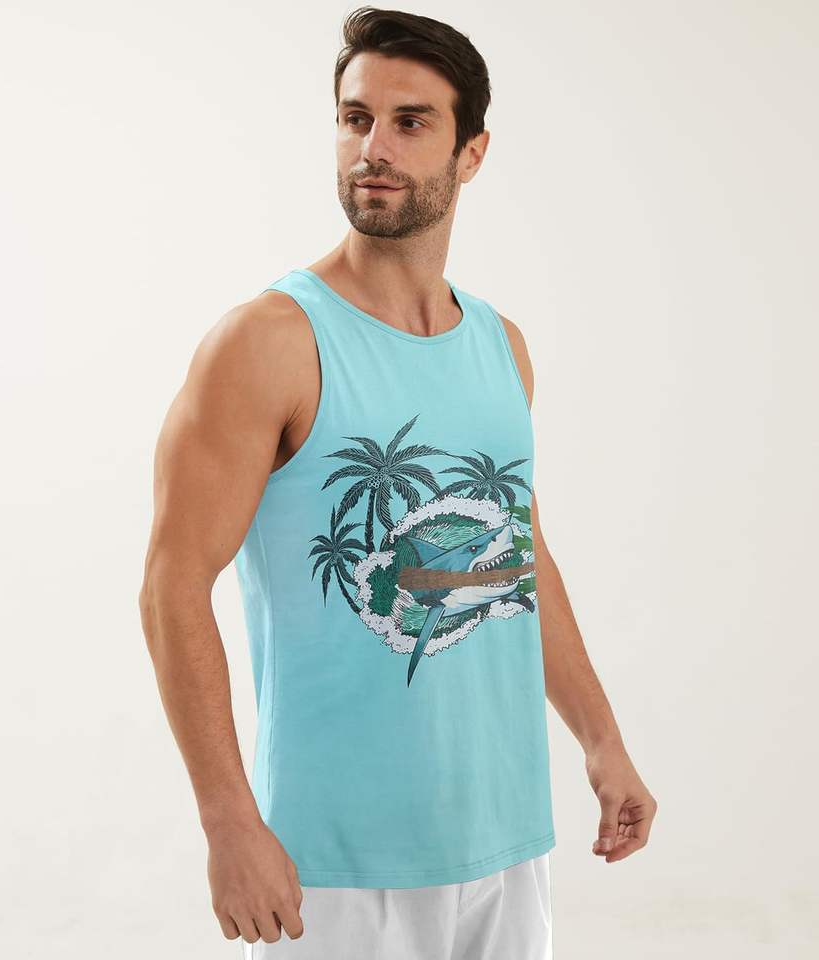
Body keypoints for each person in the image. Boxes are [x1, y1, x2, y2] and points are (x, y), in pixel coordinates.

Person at [138, 6, 658, 958]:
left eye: (410, 122)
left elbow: (517, 559)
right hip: (334, 864)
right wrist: (227, 822)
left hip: (505, 841)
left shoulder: (501, 348)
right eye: (355, 118)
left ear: (472, 153)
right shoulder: (266, 343)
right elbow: (172, 588)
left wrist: (600, 740)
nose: (372, 148)